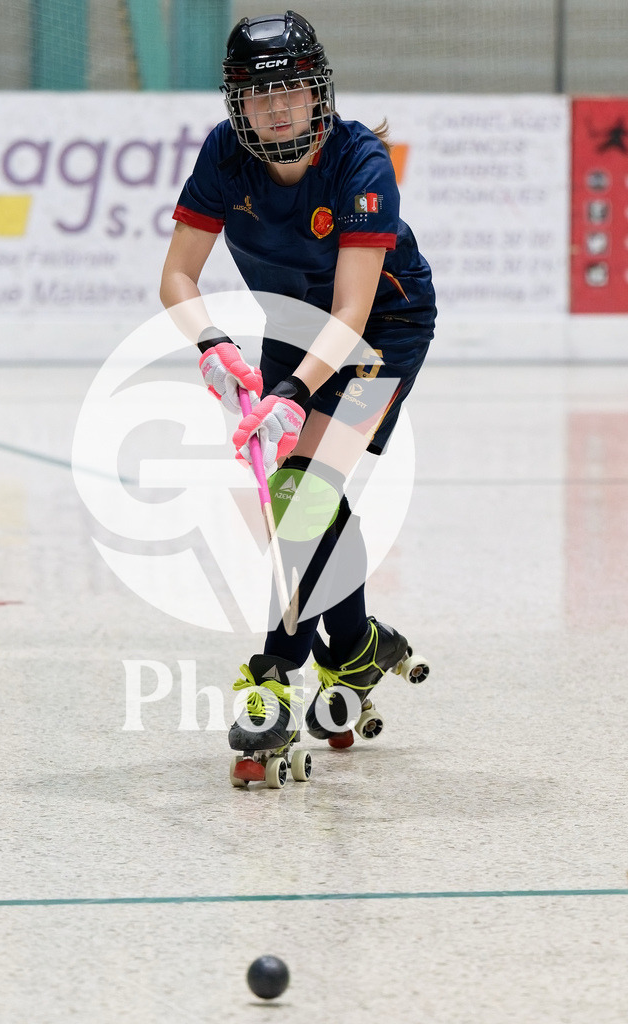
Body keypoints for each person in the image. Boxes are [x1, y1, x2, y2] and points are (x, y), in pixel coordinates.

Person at [160, 10, 435, 763]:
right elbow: (178, 277)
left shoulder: (360, 161)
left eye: (291, 91)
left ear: (319, 93)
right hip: (296, 326)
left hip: (381, 329)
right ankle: (354, 645)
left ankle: (275, 668)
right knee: (297, 494)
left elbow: (351, 311)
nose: (276, 108)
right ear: (235, 103)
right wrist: (211, 344)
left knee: (306, 490)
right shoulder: (225, 157)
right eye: (258, 94)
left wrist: (290, 393)